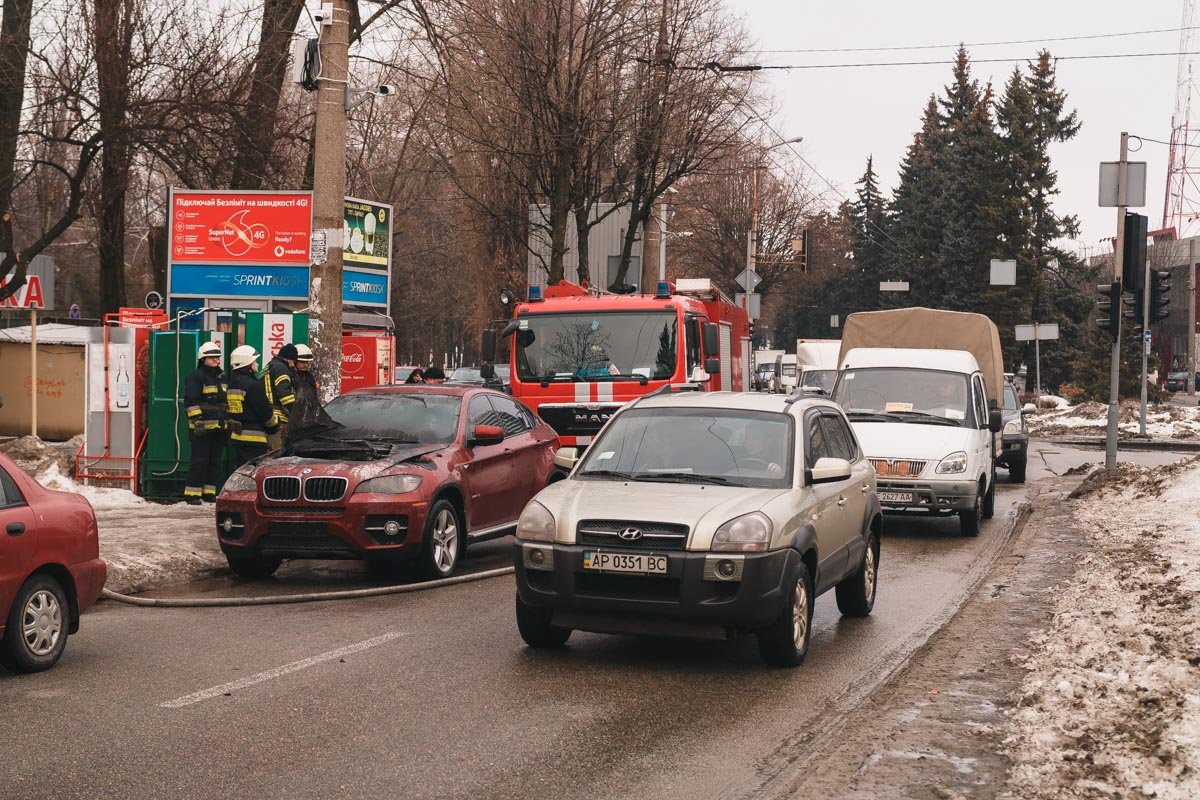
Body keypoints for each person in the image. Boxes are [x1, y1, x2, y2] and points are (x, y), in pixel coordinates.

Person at [182, 341, 228, 504]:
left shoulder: (222, 376)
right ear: (203, 359)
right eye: (212, 357)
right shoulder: (196, 377)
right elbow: (191, 402)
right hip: (200, 429)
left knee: (215, 462)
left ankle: (209, 492)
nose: (216, 359)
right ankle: (192, 494)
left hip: (219, 427)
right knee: (199, 461)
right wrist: (198, 423)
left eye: (218, 356)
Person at [226, 345, 280, 466]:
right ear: (248, 365)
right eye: (254, 361)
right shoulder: (252, 386)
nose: (257, 364)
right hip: (255, 441)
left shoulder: (232, 386)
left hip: (237, 439)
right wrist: (276, 425)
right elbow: (265, 413)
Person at [262, 343, 298, 450]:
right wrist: (296, 412)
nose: (293, 365)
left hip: (268, 416)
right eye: (293, 361)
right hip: (278, 419)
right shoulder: (281, 368)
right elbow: (285, 395)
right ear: (289, 359)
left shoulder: (269, 366)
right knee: (277, 452)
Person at [285, 343, 323, 444]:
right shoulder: (288, 375)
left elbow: (314, 398)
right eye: (302, 362)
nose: (305, 365)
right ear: (295, 361)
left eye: (307, 362)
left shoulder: (309, 377)